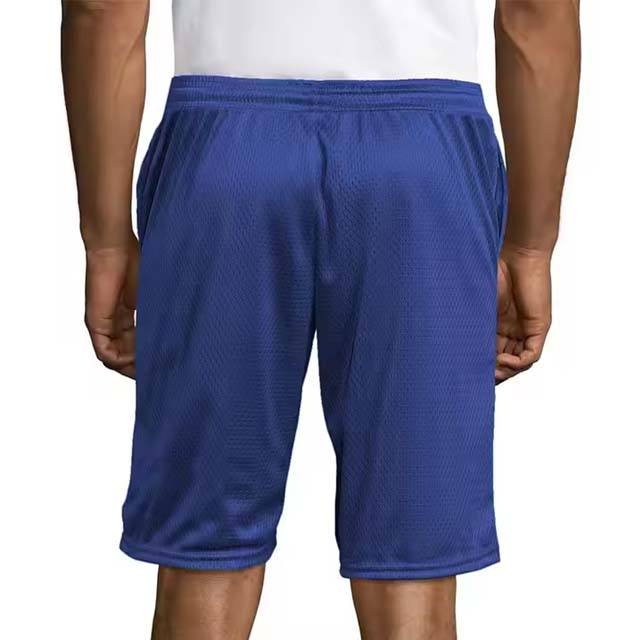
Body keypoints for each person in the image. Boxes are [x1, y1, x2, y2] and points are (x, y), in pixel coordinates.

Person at [61, 1, 580, 637]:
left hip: (225, 153)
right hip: (421, 160)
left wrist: (106, 241)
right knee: (411, 560)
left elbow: (103, 8)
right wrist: (530, 245)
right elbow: (538, 11)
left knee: (203, 549)